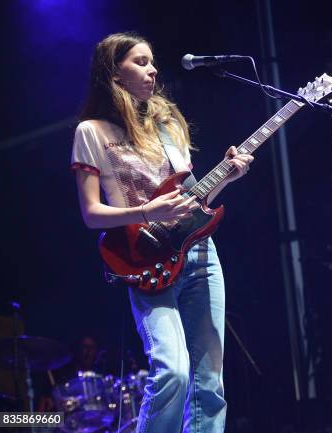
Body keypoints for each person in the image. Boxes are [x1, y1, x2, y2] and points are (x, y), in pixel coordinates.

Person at [71, 32, 253, 433]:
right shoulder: (92, 131)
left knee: (209, 382)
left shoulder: (169, 124)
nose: (152, 69)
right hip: (144, 258)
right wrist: (145, 210)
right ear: (112, 73)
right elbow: (91, 214)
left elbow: (190, 201)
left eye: (152, 61)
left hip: (201, 254)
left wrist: (228, 176)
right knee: (173, 370)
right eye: (140, 61)